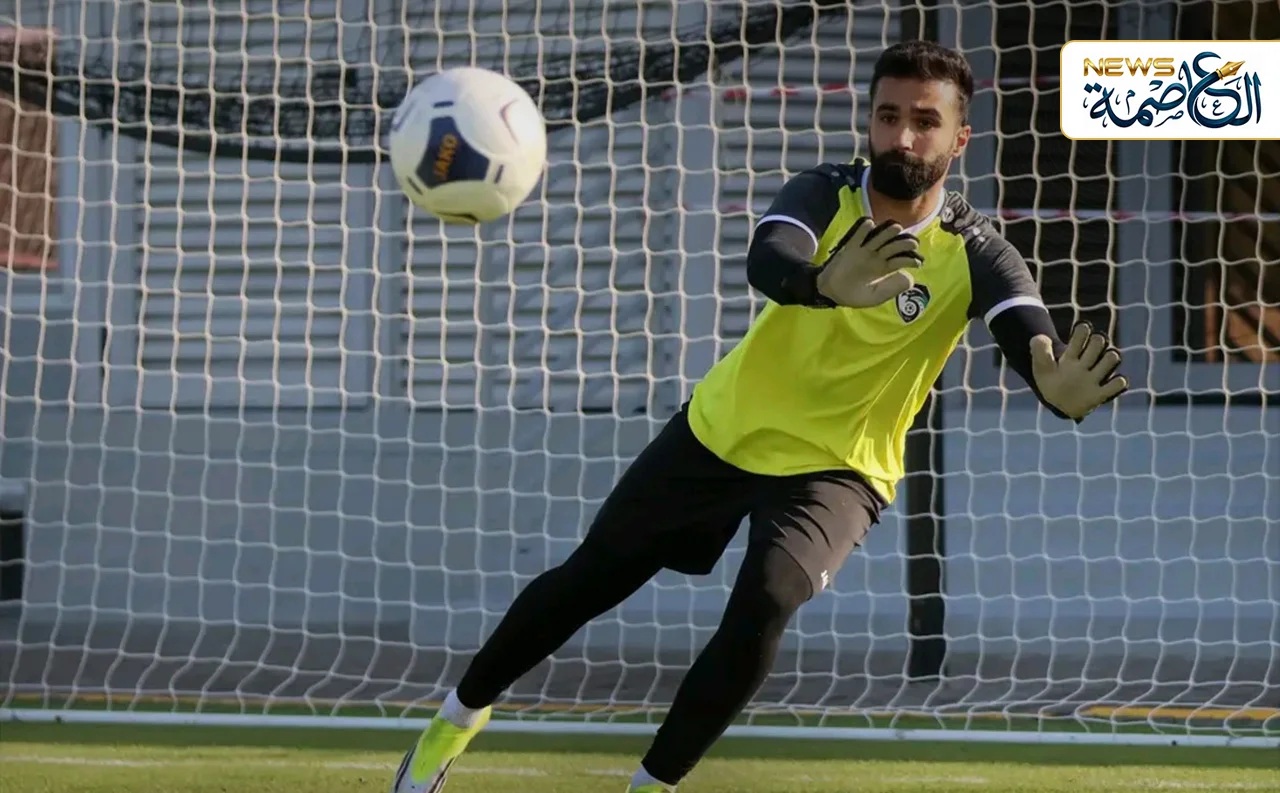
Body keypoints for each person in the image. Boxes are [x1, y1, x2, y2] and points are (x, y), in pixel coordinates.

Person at [390, 39, 1127, 793]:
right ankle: (455, 719)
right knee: (591, 579)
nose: (903, 137)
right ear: (869, 121)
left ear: (959, 138)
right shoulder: (825, 193)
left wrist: (1052, 383)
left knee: (769, 597)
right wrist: (823, 283)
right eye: (888, 116)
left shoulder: (978, 252)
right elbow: (770, 256)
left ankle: (651, 786)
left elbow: (1028, 334)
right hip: (725, 430)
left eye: (925, 121)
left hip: (840, 468)